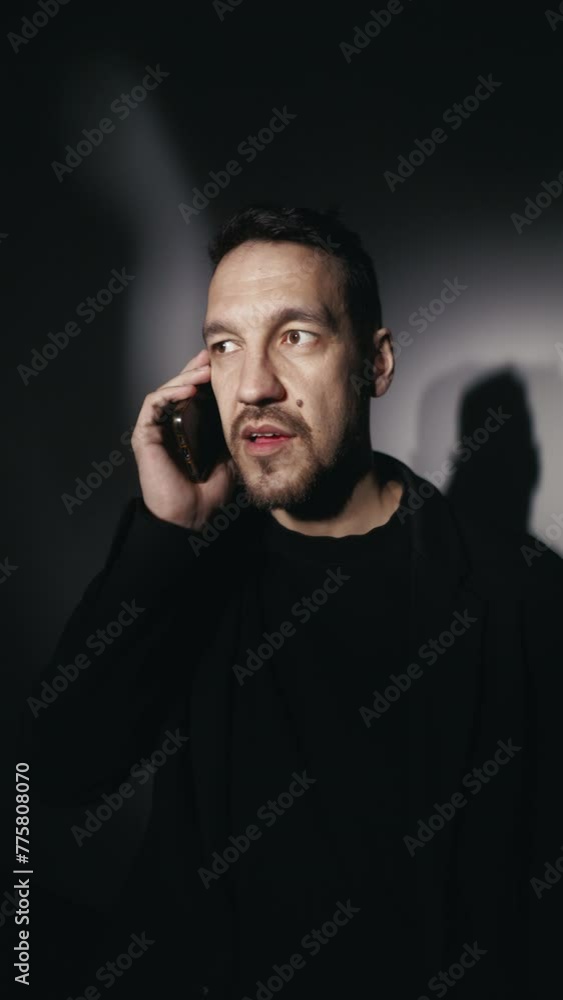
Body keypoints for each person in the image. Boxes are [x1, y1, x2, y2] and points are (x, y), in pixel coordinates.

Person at [34, 204, 561, 999]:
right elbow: (55, 777)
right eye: (224, 346)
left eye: (296, 336)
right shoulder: (184, 566)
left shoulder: (520, 591)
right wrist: (166, 532)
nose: (253, 386)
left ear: (374, 363)